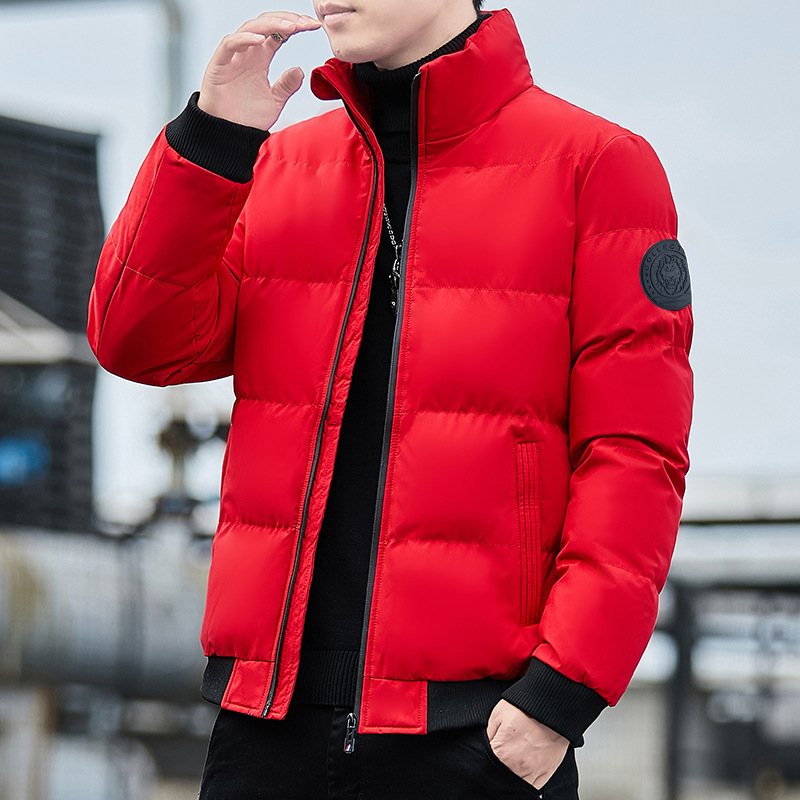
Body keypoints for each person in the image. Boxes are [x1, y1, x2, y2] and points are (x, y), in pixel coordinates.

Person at [87, 1, 693, 797]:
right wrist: (213, 142)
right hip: (265, 724)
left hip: (476, 731)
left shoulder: (596, 165)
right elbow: (139, 342)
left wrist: (560, 696)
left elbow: (635, 455)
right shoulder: (277, 166)